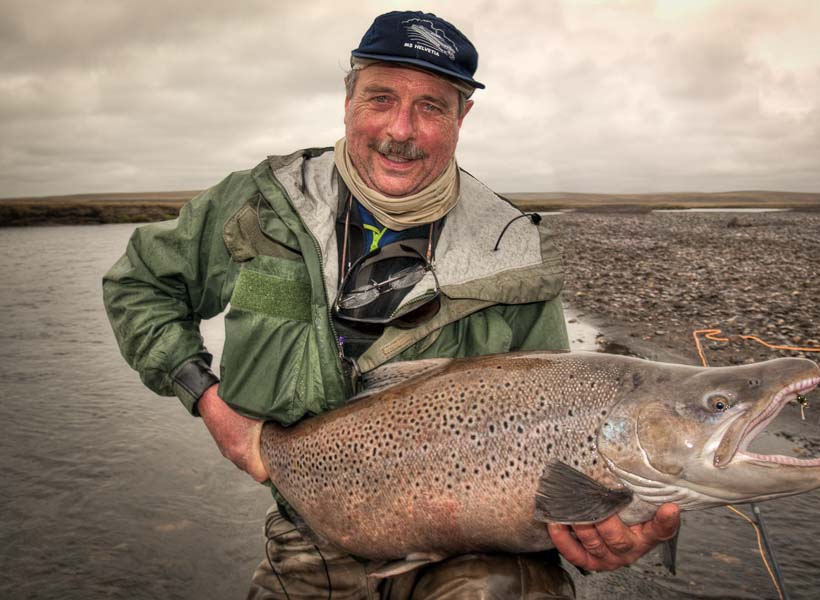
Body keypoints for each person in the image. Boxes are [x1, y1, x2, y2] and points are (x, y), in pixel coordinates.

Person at [103, 10, 679, 599]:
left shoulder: (511, 250)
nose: (401, 130)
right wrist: (205, 395)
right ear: (348, 98)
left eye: (431, 106)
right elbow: (139, 284)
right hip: (311, 530)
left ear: (463, 115)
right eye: (380, 97)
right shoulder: (264, 204)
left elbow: (564, 429)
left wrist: (599, 532)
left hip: (475, 547)